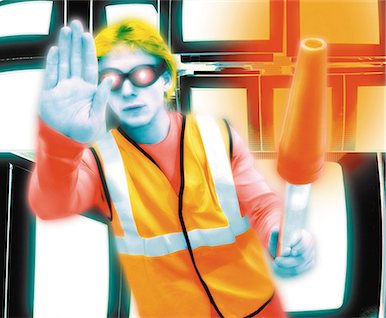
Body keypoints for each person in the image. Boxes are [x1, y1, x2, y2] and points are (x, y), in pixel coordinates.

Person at [28, 19, 314, 317]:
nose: (127, 90)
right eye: (111, 79)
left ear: (165, 78)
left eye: (142, 74)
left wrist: (280, 233)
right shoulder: (98, 161)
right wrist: (60, 142)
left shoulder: (217, 135)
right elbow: (50, 205)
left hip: (259, 309)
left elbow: (261, 204)